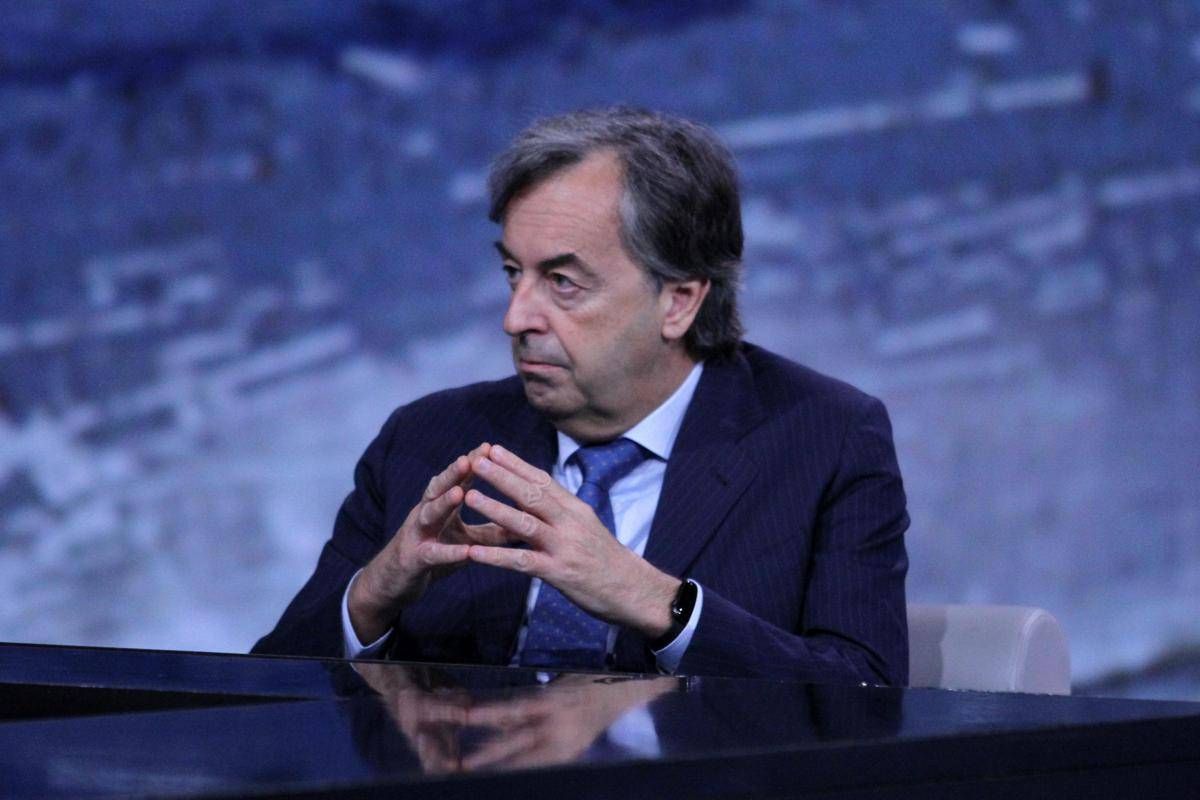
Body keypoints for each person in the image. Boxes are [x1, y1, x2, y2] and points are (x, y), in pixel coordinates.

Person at [253, 107, 910, 685]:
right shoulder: (426, 440)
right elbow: (263, 699)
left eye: (563, 283)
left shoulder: (824, 440)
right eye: (512, 273)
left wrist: (656, 601)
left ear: (679, 301)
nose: (516, 318)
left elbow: (867, 699)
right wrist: (371, 598)